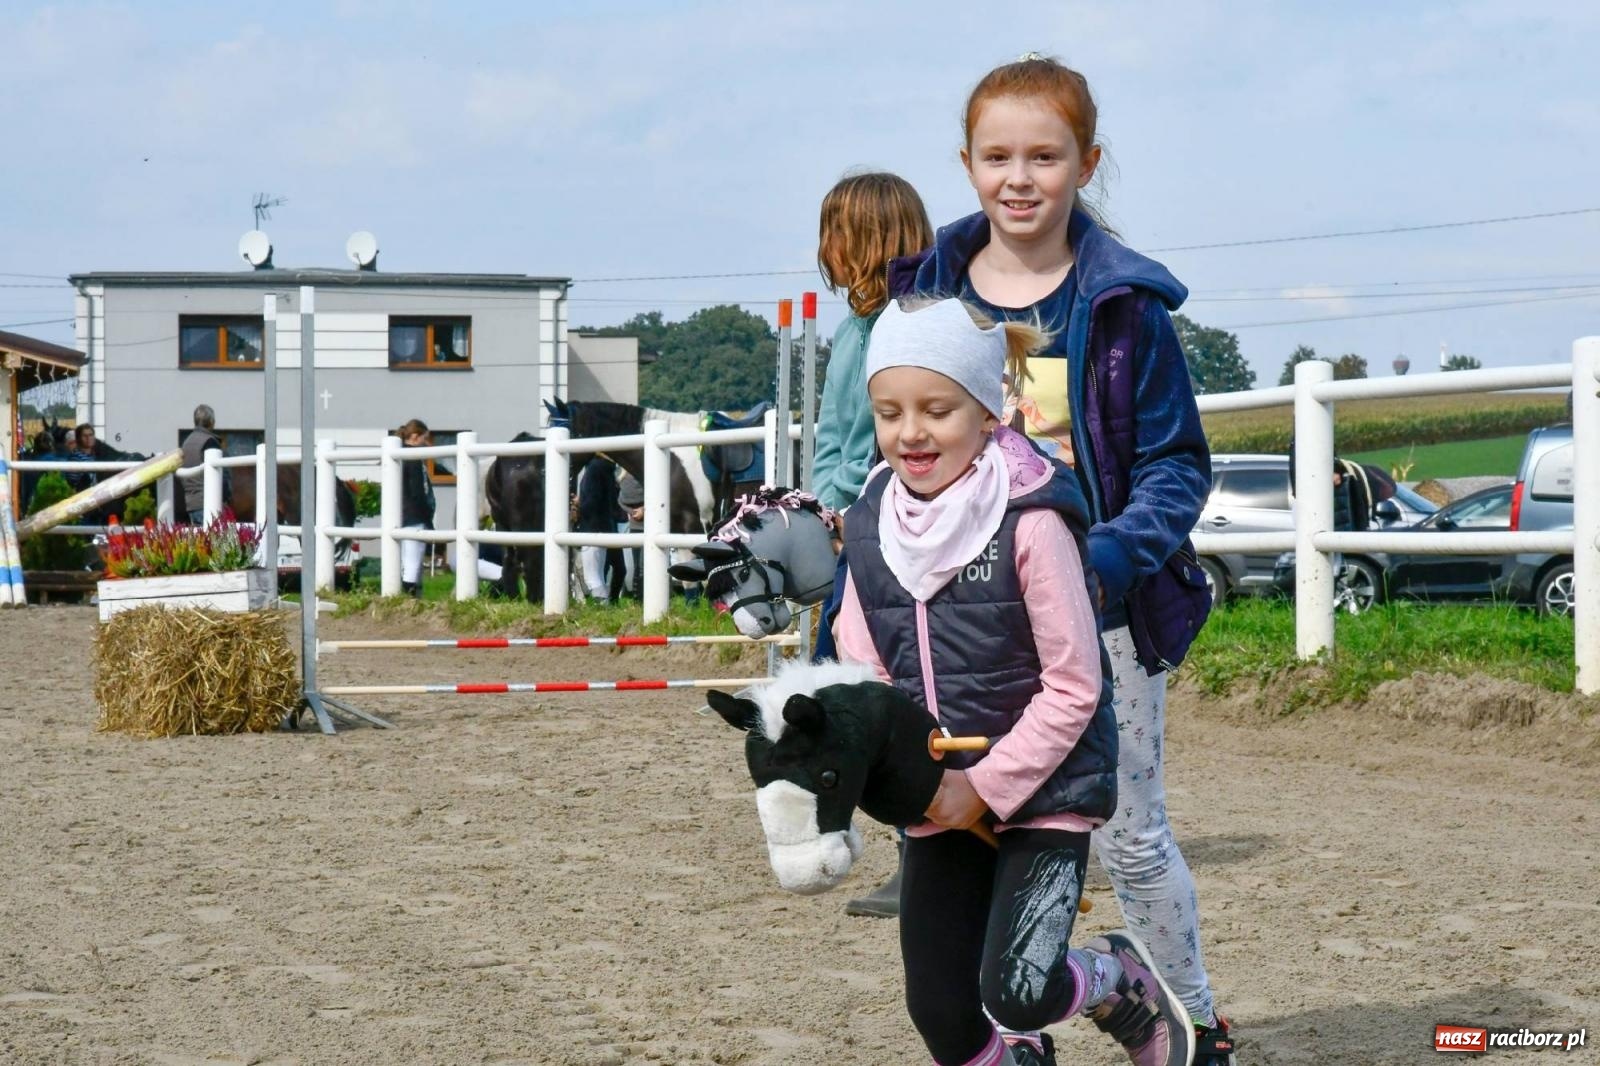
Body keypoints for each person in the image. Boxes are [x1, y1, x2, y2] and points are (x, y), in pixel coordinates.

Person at [889, 55, 1232, 1063]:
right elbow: (894, 436)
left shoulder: (1125, 308)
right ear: (966, 164)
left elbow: (1173, 464)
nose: (1020, 177)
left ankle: (1194, 1013)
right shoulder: (927, 299)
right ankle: (1013, 1024)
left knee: (1126, 831)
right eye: (998, 156)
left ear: (1086, 162)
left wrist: (1109, 560)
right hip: (964, 612)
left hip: (1100, 606)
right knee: (976, 817)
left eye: (1045, 155)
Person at [834, 297, 1193, 1066]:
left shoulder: (1032, 521)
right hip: (937, 798)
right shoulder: (869, 529)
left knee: (1019, 989)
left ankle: (1118, 982)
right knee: (940, 1011)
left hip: (1045, 791)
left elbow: (1075, 685)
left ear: (990, 406)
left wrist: (984, 787)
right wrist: (891, 767)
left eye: (936, 409)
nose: (911, 433)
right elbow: (863, 675)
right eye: (889, 412)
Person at [810, 171, 935, 918]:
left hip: (907, 528)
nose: (824, 248)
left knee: (896, 686)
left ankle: (921, 852)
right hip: (858, 530)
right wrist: (829, 508)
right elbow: (833, 437)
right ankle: (911, 843)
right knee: (854, 677)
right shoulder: (855, 331)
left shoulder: (916, 323)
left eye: (835, 231)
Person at [575, 455, 623, 603]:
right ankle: (606, 604)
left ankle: (602, 605)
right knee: (600, 573)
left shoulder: (593, 469)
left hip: (591, 527)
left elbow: (591, 503)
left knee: (592, 575)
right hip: (606, 526)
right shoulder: (608, 470)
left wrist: (578, 507)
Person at [398, 419, 435, 597]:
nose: (427, 444)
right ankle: (410, 603)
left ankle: (406, 601)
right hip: (415, 516)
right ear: (415, 437)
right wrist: (427, 519)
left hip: (400, 516)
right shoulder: (413, 459)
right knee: (413, 565)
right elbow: (418, 491)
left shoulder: (398, 455)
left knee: (405, 564)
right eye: (424, 439)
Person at [180, 404, 225, 524]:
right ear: (211, 421)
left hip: (190, 503)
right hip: (207, 502)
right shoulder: (210, 443)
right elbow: (222, 477)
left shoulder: (186, 442)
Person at [617, 472, 644, 598]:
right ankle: (644, 595)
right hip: (647, 525)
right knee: (644, 564)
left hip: (634, 524)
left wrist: (631, 511)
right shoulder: (641, 475)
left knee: (637, 564)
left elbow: (621, 501)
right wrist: (644, 510)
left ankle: (637, 596)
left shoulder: (622, 478)